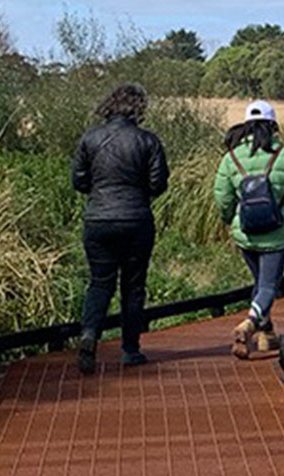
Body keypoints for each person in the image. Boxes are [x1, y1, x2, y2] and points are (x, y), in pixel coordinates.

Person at [71, 83, 169, 374]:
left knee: (100, 282)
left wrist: (101, 192)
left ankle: (90, 334)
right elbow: (158, 183)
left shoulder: (90, 138)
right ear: (138, 108)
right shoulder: (148, 140)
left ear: (109, 106)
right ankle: (130, 350)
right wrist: (137, 193)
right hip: (136, 219)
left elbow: (79, 181)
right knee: (133, 286)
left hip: (98, 219)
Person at [213, 100, 284, 360]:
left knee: (260, 282)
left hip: (245, 233)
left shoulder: (231, 158)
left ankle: (266, 334)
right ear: (273, 125)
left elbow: (223, 199)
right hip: (276, 232)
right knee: (268, 286)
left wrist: (229, 220)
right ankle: (249, 324)